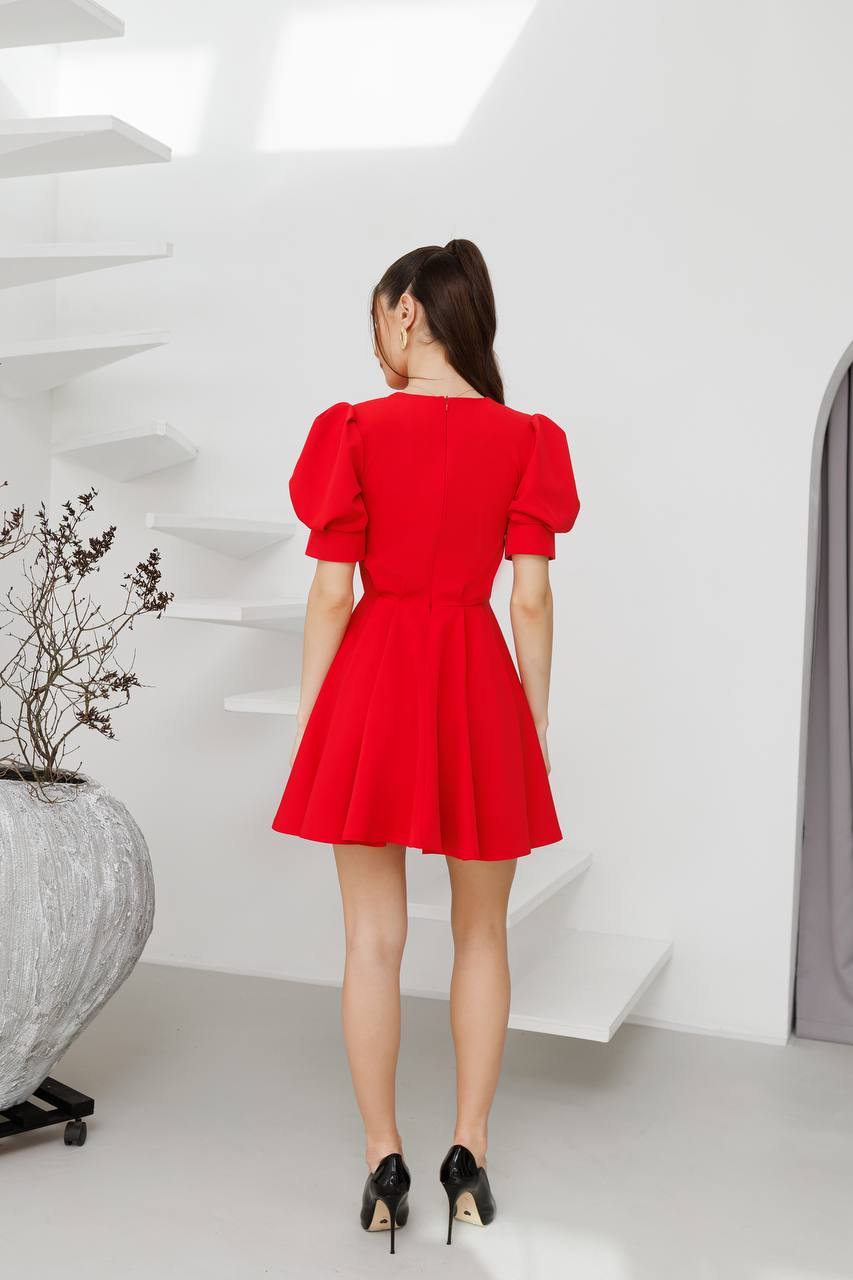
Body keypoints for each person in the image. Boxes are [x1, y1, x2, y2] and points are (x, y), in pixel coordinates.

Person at [271, 239, 580, 1252]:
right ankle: (468, 1155)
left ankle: (382, 1161)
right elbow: (529, 599)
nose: (375, 339)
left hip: (373, 685)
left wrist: (317, 719)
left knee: (372, 937)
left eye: (377, 317)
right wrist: (533, 718)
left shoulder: (355, 430)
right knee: (482, 934)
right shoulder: (526, 439)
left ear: (406, 311)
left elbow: (331, 591)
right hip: (476, 686)